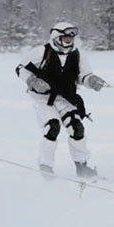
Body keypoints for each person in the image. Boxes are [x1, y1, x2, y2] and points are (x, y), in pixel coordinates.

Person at [15, 22, 106, 178]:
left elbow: (84, 76)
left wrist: (91, 80)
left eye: (71, 38)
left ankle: (82, 167)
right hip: (42, 98)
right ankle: (46, 167)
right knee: (53, 126)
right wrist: (32, 80)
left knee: (76, 128)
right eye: (65, 37)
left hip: (65, 98)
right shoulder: (41, 52)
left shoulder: (78, 54)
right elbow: (20, 69)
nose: (69, 41)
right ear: (56, 37)